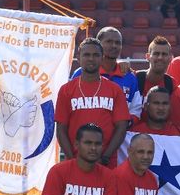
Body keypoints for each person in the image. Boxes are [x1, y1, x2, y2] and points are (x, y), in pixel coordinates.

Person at [56, 37, 131, 168]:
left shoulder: (115, 90)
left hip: (106, 164)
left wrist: (105, 157)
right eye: (86, 55)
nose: (91, 58)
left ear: (102, 58)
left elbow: (121, 127)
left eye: (96, 55)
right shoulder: (66, 90)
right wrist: (73, 159)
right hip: (75, 164)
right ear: (78, 58)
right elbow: (61, 129)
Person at [71, 27, 142, 119]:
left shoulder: (129, 77)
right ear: (99, 45)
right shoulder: (81, 73)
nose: (114, 46)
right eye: (109, 41)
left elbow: (135, 111)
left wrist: (124, 124)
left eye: (118, 43)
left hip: (121, 132)